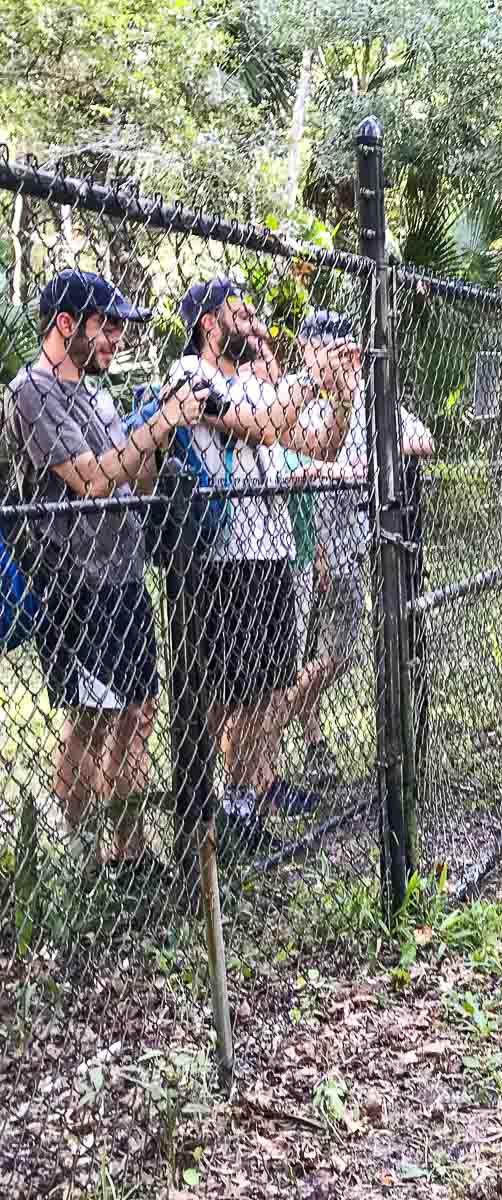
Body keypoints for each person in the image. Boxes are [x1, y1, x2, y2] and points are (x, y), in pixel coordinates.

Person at [2, 269, 207, 882]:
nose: (118, 336)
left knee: (138, 710)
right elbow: (90, 477)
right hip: (72, 582)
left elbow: (133, 478)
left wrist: (164, 439)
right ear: (66, 325)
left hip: (123, 573)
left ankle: (128, 846)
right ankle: (82, 854)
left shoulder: (99, 393)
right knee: (90, 722)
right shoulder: (31, 392)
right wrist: (161, 423)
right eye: (107, 324)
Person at [163, 278, 359, 859]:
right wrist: (311, 377)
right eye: (241, 317)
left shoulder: (254, 384)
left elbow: (319, 441)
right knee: (227, 690)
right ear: (207, 324)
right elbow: (261, 423)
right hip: (222, 559)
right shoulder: (192, 378)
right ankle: (205, 804)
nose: (254, 326)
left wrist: (341, 394)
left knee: (267, 687)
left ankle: (243, 803)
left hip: (270, 552)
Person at [273, 309, 434, 790]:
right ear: (307, 348)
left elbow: (422, 438)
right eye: (330, 348)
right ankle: (280, 739)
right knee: (314, 654)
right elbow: (293, 471)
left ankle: (304, 739)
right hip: (307, 545)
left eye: (347, 348)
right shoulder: (298, 404)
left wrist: (362, 465)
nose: (343, 358)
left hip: (352, 545)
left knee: (332, 654)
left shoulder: (370, 400)